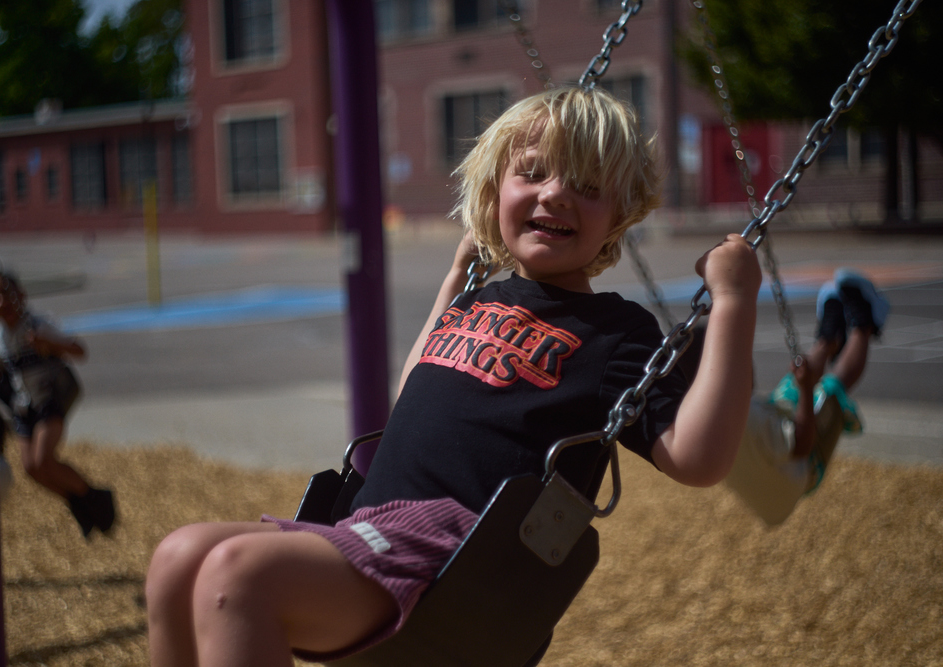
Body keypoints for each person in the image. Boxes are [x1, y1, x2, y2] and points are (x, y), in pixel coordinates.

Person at [145, 86, 762, 667]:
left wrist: (733, 300)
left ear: (620, 215)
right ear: (494, 191)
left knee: (237, 573)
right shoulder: (475, 299)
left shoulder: (615, 331)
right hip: (369, 527)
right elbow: (417, 384)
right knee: (176, 559)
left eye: (588, 185)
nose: (555, 195)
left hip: (453, 563)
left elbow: (697, 458)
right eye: (532, 173)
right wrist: (456, 275)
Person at [684, 268, 889, 525]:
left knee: (794, 383)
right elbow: (801, 445)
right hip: (803, 471)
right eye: (741, 360)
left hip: (769, 465)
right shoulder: (748, 418)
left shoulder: (695, 417)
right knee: (831, 387)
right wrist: (807, 389)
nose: (750, 364)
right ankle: (866, 322)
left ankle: (828, 340)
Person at [0, 270, 115, 537]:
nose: (2, 303)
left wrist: (50, 344)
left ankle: (95, 497)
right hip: (24, 408)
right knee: (31, 469)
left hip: (49, 401)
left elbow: (79, 350)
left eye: (7, 295)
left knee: (43, 458)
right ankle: (78, 502)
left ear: (21, 296)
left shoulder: (38, 325)